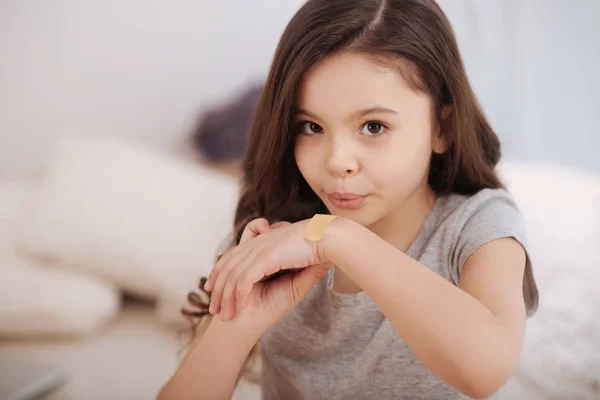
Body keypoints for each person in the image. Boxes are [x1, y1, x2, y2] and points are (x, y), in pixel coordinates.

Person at [158, 0, 539, 399]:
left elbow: (486, 369)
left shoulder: (477, 226)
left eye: (373, 127)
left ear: (441, 128)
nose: (337, 162)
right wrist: (238, 324)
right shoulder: (273, 238)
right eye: (311, 126)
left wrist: (339, 237)